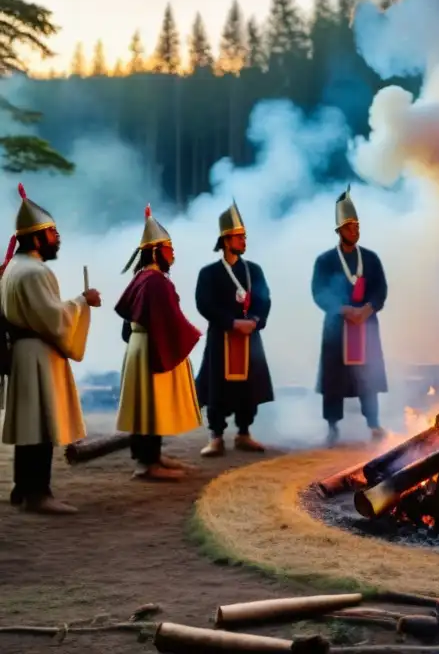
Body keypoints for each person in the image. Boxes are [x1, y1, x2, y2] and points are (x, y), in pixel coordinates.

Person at [1, 183, 100, 514]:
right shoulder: (35, 271)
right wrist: (83, 301)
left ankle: (22, 488)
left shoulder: (15, 269)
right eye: (53, 233)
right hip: (38, 354)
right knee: (40, 425)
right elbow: (54, 318)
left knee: (30, 426)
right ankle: (38, 494)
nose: (57, 238)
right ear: (38, 237)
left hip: (24, 353)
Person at [114, 205, 203, 480]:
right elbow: (168, 320)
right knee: (150, 406)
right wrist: (191, 333)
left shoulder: (143, 278)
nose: (173, 254)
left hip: (142, 347)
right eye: (168, 248)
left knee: (150, 405)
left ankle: (152, 456)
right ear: (155, 252)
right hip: (150, 347)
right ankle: (147, 464)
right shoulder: (154, 282)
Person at [195, 201, 273, 457]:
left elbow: (264, 298)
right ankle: (216, 436)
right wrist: (231, 322)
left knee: (248, 387)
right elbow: (204, 304)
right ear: (226, 240)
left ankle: (244, 433)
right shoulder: (209, 273)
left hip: (249, 337)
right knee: (218, 385)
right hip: (222, 337)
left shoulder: (254, 270)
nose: (244, 240)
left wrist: (255, 320)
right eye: (239, 236)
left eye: (244, 236)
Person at [312, 186, 388, 445]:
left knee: (368, 374)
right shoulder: (325, 261)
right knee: (334, 378)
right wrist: (344, 310)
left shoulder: (370, 258)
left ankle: (374, 423)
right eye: (349, 227)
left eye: (357, 226)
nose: (355, 230)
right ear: (339, 231)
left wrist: (366, 310)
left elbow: (381, 289)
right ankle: (332, 427)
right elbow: (319, 292)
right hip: (337, 327)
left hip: (366, 325)